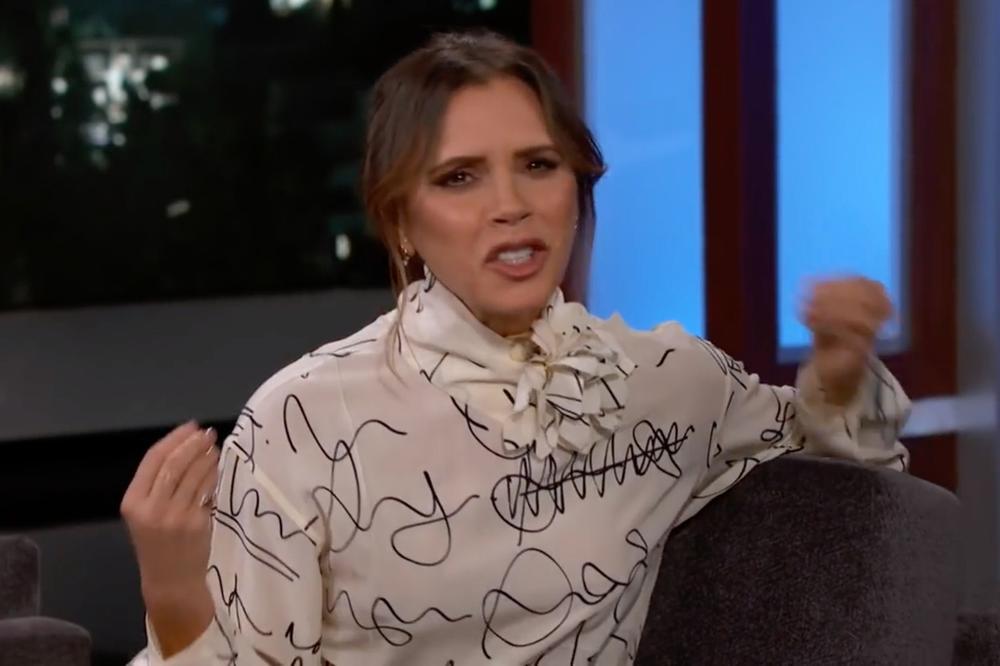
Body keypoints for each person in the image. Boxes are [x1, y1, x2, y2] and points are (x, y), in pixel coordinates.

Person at [121, 31, 909, 666]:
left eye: (538, 166)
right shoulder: (304, 421)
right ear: (400, 224)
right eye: (459, 177)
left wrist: (840, 374)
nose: (511, 205)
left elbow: (845, 470)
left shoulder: (664, 379)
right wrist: (176, 597)